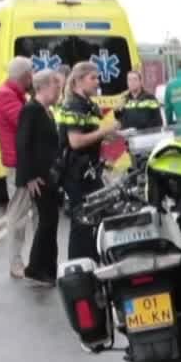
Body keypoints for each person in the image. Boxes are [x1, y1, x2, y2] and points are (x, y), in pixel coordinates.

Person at [53, 60, 122, 262]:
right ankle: (79, 267)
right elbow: (75, 141)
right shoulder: (73, 104)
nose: (97, 82)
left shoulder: (88, 104)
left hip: (89, 171)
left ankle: (92, 260)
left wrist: (114, 134)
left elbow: (93, 134)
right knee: (82, 220)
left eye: (98, 77)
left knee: (97, 214)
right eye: (93, 78)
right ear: (79, 81)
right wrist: (104, 131)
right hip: (76, 173)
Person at [15, 69, 65, 285]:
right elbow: (23, 144)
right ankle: (36, 267)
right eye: (56, 86)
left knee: (51, 221)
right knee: (46, 221)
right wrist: (30, 177)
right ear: (44, 86)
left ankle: (48, 268)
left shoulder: (48, 111)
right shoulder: (31, 110)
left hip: (50, 174)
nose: (59, 91)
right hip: (38, 177)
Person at [0, 57, 36, 279]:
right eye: (32, 74)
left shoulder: (15, 95)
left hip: (25, 162)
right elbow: (27, 123)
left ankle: (32, 259)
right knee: (18, 216)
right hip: (18, 165)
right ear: (26, 76)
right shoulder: (5, 96)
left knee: (32, 213)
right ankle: (15, 262)